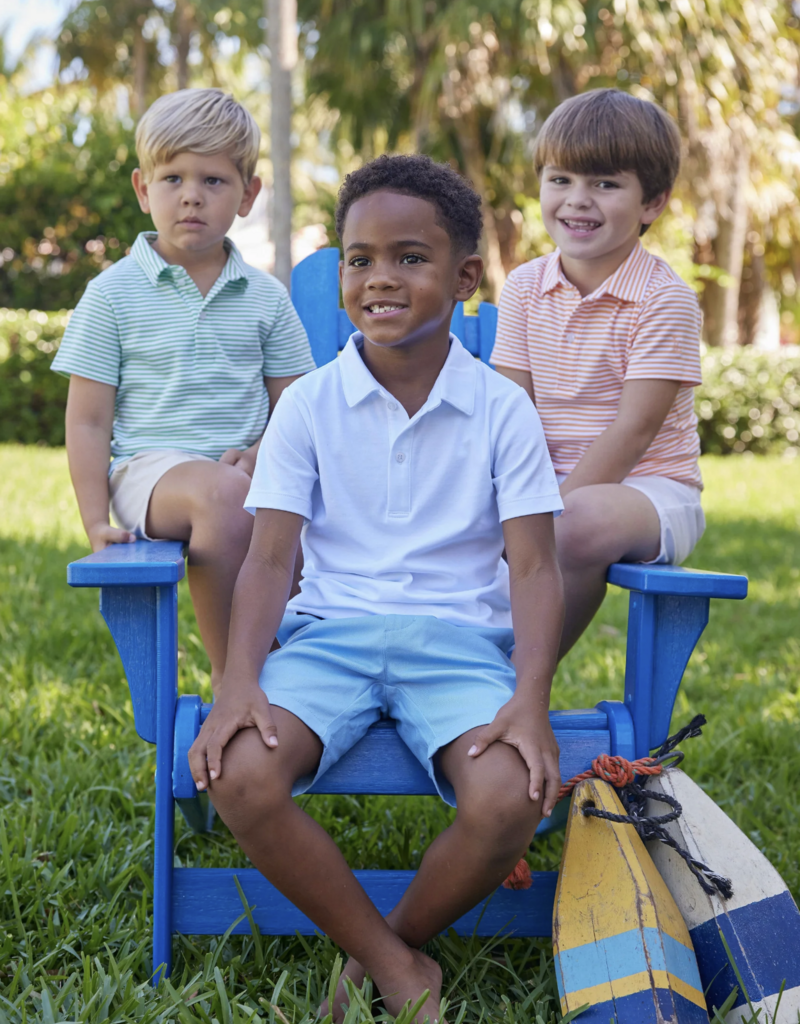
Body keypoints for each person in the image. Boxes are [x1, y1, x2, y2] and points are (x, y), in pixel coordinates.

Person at [188, 154, 565, 1024]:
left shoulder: (503, 409)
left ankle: (381, 952)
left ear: (465, 277)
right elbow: (271, 560)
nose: (379, 279)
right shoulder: (311, 406)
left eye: (409, 257)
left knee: (510, 797)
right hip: (331, 641)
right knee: (240, 776)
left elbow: (536, 566)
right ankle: (401, 967)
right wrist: (238, 681)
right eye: (360, 260)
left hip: (459, 645)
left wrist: (532, 698)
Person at [52, 88, 316, 690]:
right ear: (144, 190)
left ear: (248, 195)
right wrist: (95, 523)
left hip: (248, 474)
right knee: (227, 495)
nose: (191, 194)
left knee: (272, 500)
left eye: (214, 181)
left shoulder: (266, 297)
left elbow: (297, 407)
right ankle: (234, 678)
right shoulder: (112, 295)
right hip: (149, 475)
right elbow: (88, 422)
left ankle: (293, 668)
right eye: (173, 177)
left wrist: (260, 452)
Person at [490, 89, 705, 658]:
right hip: (546, 484)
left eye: (605, 185)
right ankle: (450, 660)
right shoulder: (524, 288)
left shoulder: (664, 300)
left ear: (652, 203)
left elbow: (633, 431)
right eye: (560, 180)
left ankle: (520, 675)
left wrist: (543, 512)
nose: (576, 201)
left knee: (575, 522)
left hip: (651, 492)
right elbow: (511, 408)